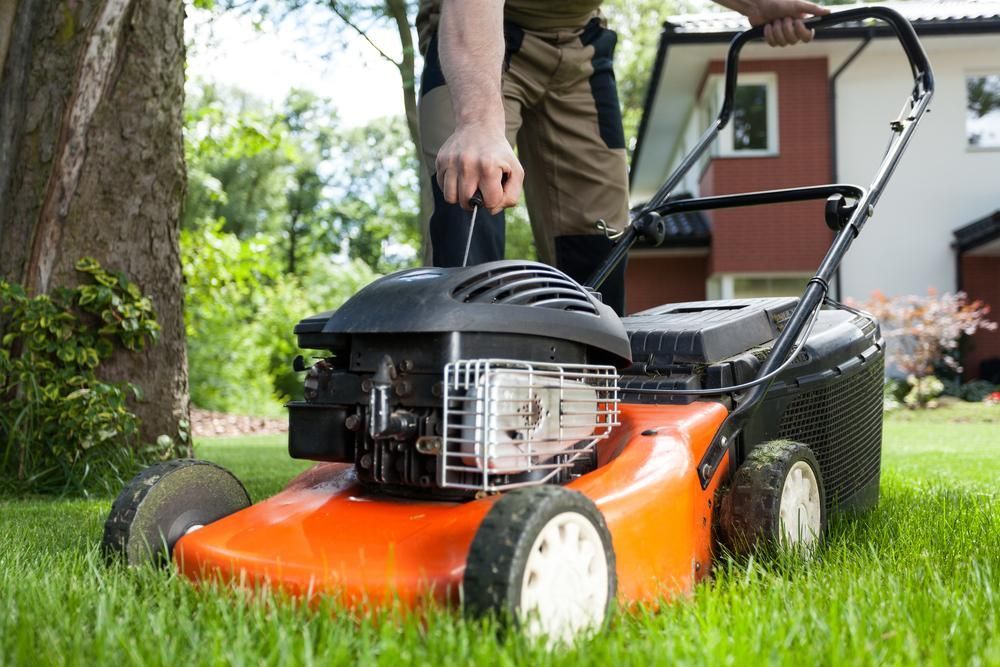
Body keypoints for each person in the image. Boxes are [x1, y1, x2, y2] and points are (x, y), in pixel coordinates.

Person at [416, 0, 828, 314]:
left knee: (599, 249)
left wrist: (759, 6)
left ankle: (591, 404)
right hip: (478, 32)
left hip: (579, 44)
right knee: (469, 202)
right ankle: (453, 398)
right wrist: (478, 123)